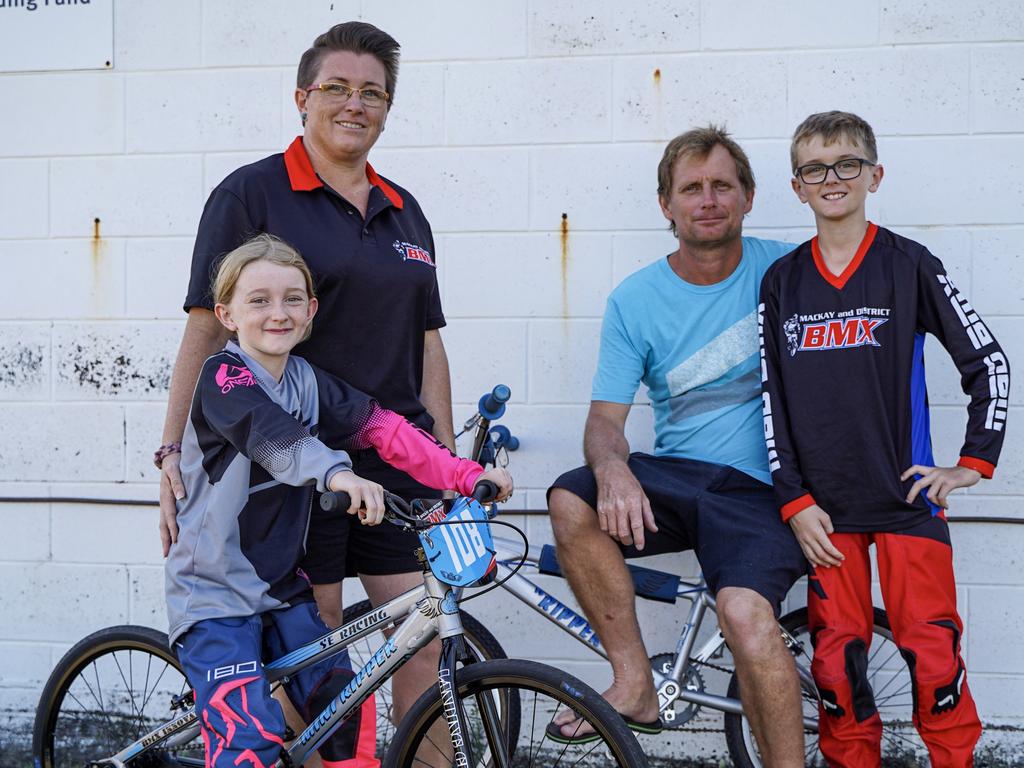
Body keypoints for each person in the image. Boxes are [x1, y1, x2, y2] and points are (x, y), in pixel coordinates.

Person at [153, 21, 457, 738]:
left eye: (373, 92)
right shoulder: (251, 193)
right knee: (314, 654)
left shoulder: (404, 206)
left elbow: (428, 338)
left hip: (393, 463)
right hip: (290, 472)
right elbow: (206, 323)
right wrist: (174, 454)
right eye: (337, 88)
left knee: (423, 639)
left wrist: (443, 460)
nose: (355, 104)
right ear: (302, 97)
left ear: (388, 106)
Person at [166, 234, 512, 768]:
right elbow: (272, 433)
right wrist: (338, 474)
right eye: (258, 300)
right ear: (226, 314)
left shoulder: (307, 380)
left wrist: (464, 474)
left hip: (283, 588)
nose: (277, 313)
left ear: (311, 311)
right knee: (249, 740)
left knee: (345, 708)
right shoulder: (224, 377)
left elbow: (387, 431)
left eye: (292, 299)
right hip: (214, 595)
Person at [547, 126, 808, 766]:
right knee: (569, 498)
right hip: (680, 477)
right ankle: (634, 683)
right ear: (667, 205)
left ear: (749, 196)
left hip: (766, 492)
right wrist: (612, 468)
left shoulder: (790, 273)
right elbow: (605, 420)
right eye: (691, 188)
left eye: (723, 185)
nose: (708, 199)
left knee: (745, 617)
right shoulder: (636, 299)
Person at [760, 110, 1008, 767]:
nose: (832, 178)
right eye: (815, 168)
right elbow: (771, 400)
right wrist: (794, 499)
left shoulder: (909, 265)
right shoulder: (783, 281)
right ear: (798, 186)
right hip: (825, 515)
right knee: (837, 674)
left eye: (847, 164)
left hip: (906, 504)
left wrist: (970, 464)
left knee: (933, 661)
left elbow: (989, 363)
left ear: (875, 174)